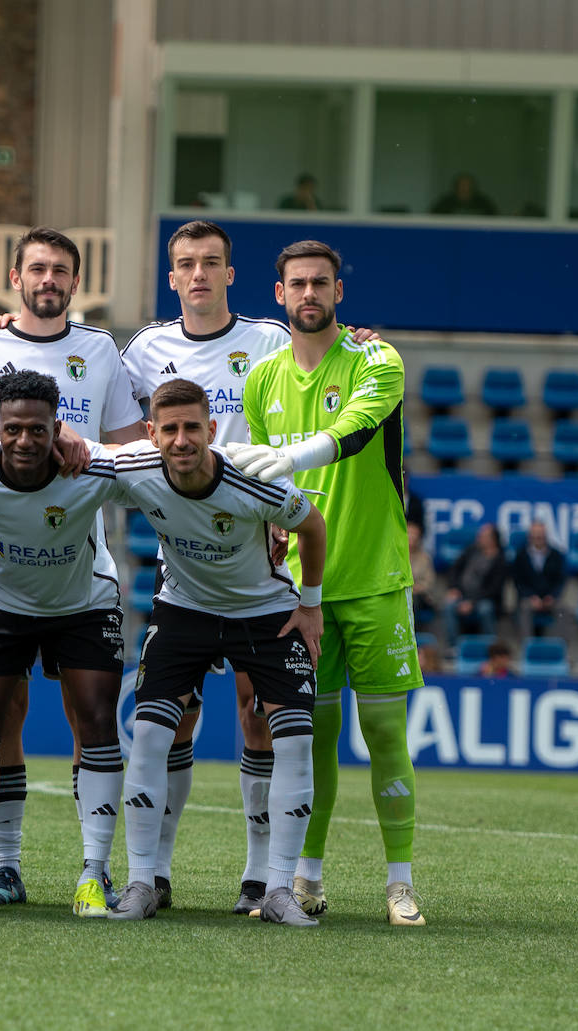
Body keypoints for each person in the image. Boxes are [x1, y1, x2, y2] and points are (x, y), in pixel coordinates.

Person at [0, 226, 144, 907]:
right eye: (37, 268)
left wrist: (79, 439)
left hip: (86, 570)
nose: (48, 278)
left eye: (60, 270)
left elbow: (136, 448)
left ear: (75, 282)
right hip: (0, 573)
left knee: (93, 717)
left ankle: (94, 868)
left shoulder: (101, 349)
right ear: (15, 278)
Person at [228, 238, 427, 926]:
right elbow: (263, 485)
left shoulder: (376, 357)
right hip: (300, 591)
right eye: (297, 284)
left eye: (321, 282)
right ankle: (305, 878)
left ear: (339, 290)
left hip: (372, 576)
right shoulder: (261, 381)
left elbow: (358, 427)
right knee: (310, 735)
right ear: (279, 294)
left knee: (384, 732)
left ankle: (400, 883)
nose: (309, 293)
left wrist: (287, 455)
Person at [120, 219, 295, 915]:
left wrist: (356, 341)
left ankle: (257, 876)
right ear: (172, 277)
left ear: (230, 273)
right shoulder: (144, 350)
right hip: (185, 568)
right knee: (175, 720)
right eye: (186, 263)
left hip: (258, 563)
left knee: (258, 718)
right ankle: (154, 872)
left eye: (211, 262)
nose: (198, 274)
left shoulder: (269, 342)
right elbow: (112, 416)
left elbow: (304, 410)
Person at [111, 378, 327, 924]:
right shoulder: (134, 470)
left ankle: (277, 888)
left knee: (296, 743)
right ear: (151, 435)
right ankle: (140, 882)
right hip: (185, 612)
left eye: (192, 428)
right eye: (170, 429)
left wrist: (311, 604)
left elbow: (313, 525)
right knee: (151, 736)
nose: (181, 440)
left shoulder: (254, 484)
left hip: (266, 614)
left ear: (212, 429)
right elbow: (81, 455)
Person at [441, 523, 508, 646]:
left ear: (493, 539)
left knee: (485, 609)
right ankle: (453, 647)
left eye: (483, 536)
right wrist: (454, 588)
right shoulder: (471, 550)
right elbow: (454, 569)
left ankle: (490, 647)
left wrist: (472, 602)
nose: (479, 538)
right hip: (462, 595)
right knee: (449, 605)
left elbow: (494, 589)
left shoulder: (500, 559)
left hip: (484, 599)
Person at [511, 519, 565, 639]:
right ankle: (527, 645)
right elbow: (518, 582)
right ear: (529, 536)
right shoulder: (521, 555)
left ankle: (559, 647)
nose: (538, 538)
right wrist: (531, 596)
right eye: (535, 535)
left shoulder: (556, 555)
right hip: (529, 599)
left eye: (540, 535)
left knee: (563, 610)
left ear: (545, 536)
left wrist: (552, 596)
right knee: (524, 608)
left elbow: (560, 580)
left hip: (550, 598)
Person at [408, 521, 438, 631]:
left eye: (415, 534)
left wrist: (415, 588)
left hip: (419, 595)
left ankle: (412, 631)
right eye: (409, 533)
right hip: (400, 594)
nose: (412, 537)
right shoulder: (396, 556)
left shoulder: (425, 558)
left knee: (412, 599)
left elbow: (429, 582)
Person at [431, 173, 497, 216]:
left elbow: (496, 219)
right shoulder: (445, 203)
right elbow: (432, 218)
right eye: (462, 186)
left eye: (468, 186)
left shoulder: (483, 203)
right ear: (456, 188)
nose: (465, 189)